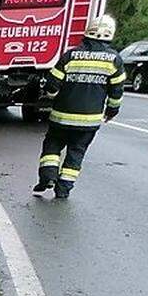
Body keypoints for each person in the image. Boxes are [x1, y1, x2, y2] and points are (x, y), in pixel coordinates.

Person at [32, 15, 125, 199]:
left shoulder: (71, 56)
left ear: (87, 32)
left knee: (52, 145)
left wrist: (51, 96)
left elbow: (52, 85)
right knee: (76, 153)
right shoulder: (114, 61)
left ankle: (48, 177)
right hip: (88, 122)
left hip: (61, 116)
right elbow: (117, 92)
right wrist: (111, 111)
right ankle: (63, 189)